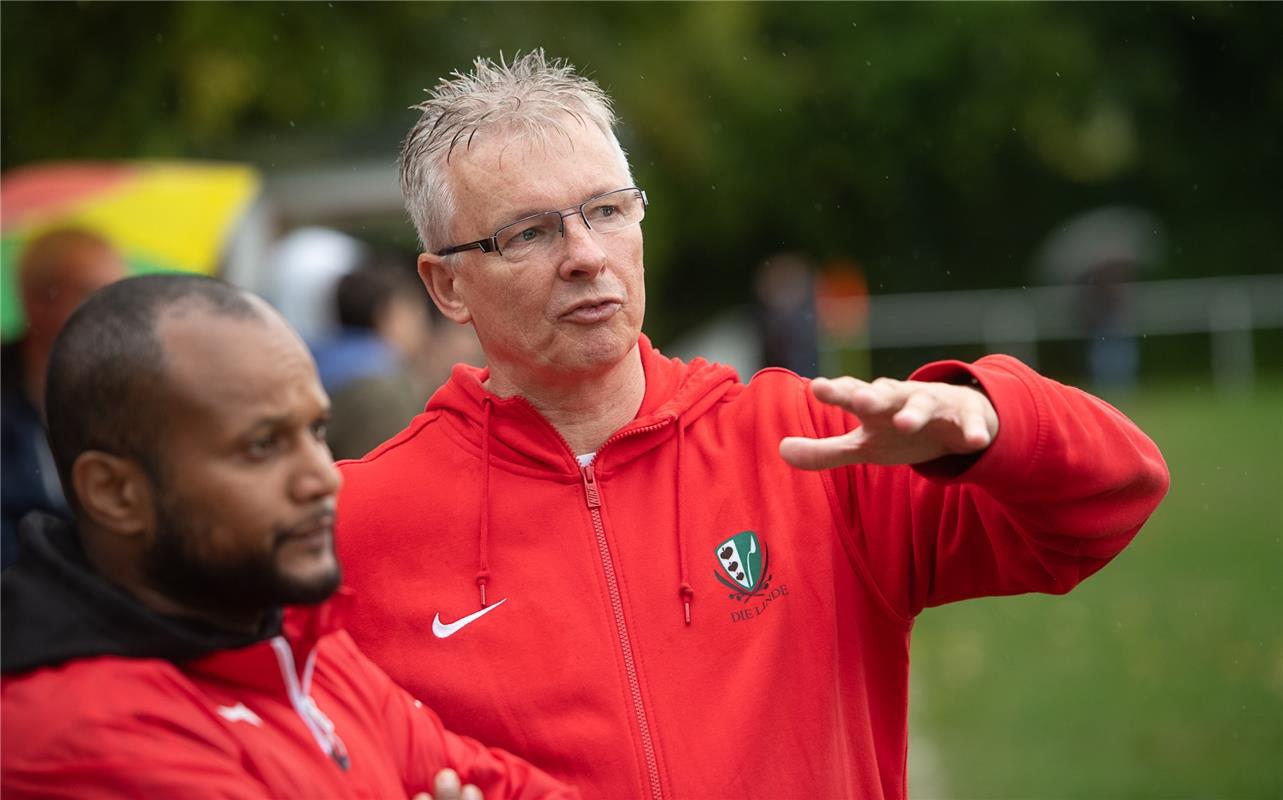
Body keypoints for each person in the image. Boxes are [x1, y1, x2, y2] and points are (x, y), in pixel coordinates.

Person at [335, 51, 1170, 800]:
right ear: (445, 288)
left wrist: (993, 418)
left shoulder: (810, 443)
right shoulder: (356, 524)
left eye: (606, 211)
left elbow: (1110, 499)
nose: (585, 254)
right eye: (530, 231)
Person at [0, 274, 575, 800]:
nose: (323, 476)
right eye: (263, 446)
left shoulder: (298, 642)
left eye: (316, 430)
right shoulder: (82, 728)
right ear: (114, 493)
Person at [1, 228, 127, 568]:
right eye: (94, 292)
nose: (114, 311)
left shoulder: (131, 394)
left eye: (119, 293)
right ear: (37, 300)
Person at [312, 260, 433, 459]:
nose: (422, 325)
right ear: (386, 314)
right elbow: (391, 467)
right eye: (414, 311)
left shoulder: (317, 363)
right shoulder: (382, 387)